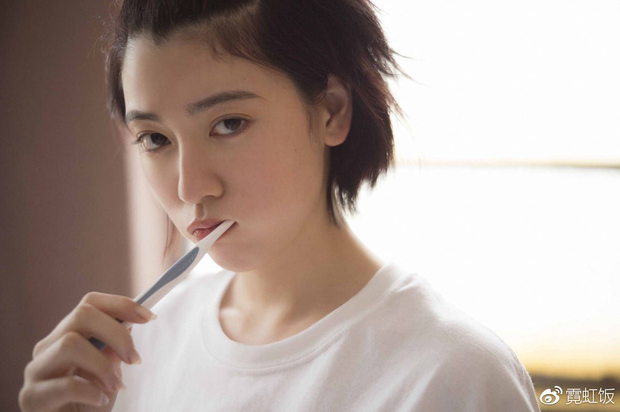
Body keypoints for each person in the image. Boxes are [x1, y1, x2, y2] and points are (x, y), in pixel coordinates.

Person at [19, 0, 541, 411]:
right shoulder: (134, 353)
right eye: (155, 139)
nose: (190, 188)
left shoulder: (453, 376)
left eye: (229, 124)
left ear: (332, 111)